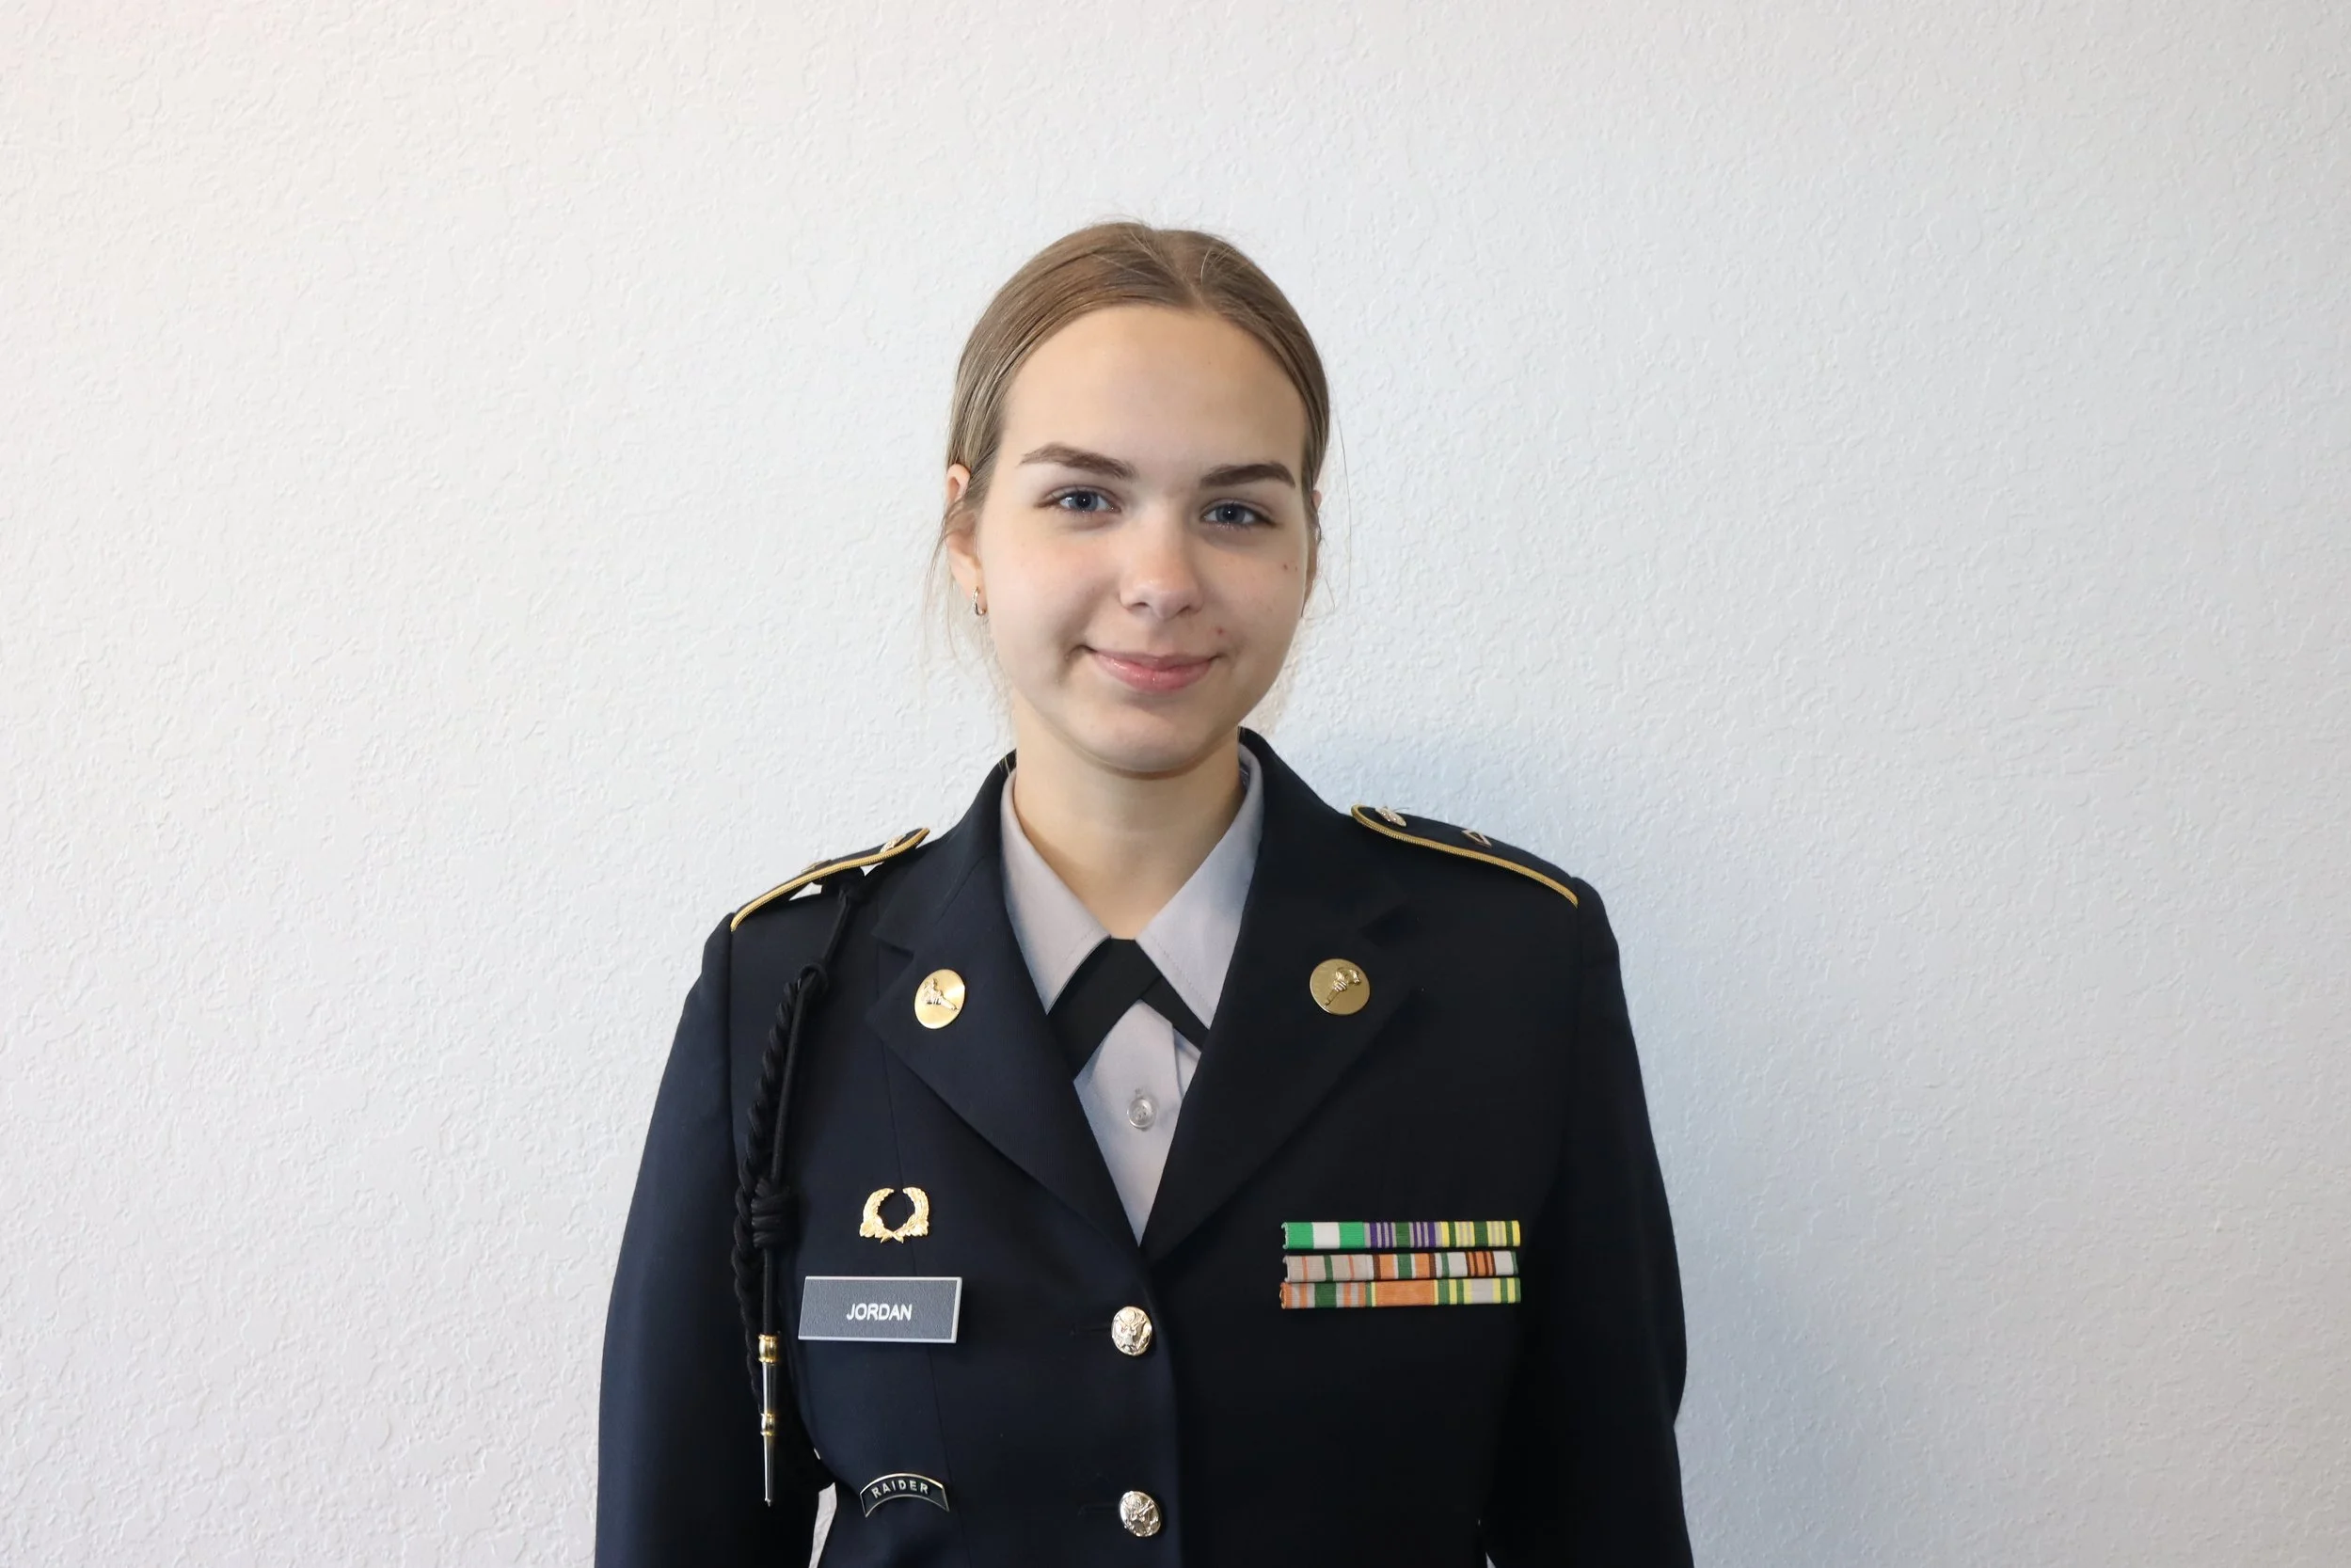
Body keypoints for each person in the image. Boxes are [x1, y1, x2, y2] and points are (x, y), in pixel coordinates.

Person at [596, 221, 1692, 1567]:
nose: (1164, 580)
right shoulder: (785, 993)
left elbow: (1607, 1519)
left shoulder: (1509, 971)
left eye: (1236, 509)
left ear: (1305, 545)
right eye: (1082, 498)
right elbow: (677, 1530)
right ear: (967, 532)